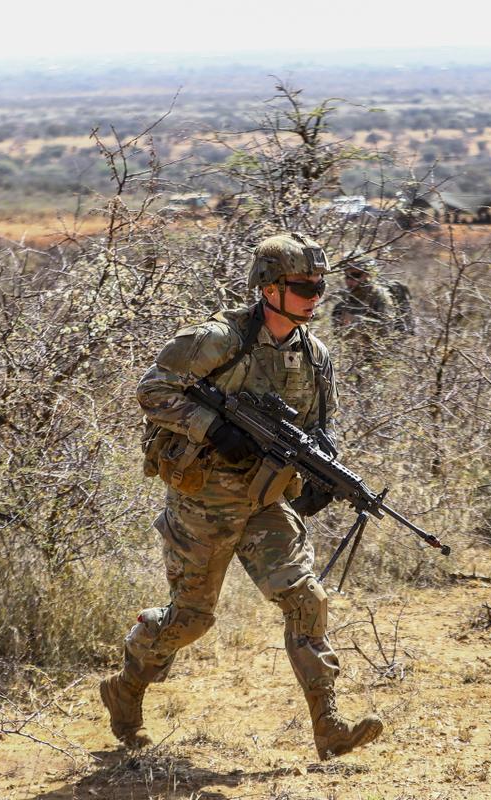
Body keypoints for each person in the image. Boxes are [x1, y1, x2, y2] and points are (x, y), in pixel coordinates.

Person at [100, 232, 383, 760]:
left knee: (306, 600)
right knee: (191, 620)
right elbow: (152, 392)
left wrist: (320, 469)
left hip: (265, 502)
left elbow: (322, 425)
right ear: (268, 287)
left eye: (319, 286)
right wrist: (212, 428)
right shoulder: (216, 340)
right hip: (202, 499)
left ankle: (329, 726)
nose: (313, 296)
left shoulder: (316, 357)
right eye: (302, 286)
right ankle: (126, 691)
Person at [331, 258, 396, 349]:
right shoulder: (342, 302)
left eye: (355, 275)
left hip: (377, 355)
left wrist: (357, 322)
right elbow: (338, 338)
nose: (350, 280)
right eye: (347, 276)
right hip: (351, 357)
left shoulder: (379, 297)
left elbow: (388, 330)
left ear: (367, 275)